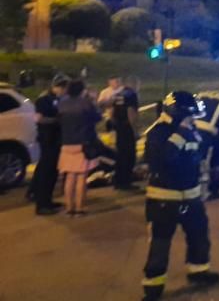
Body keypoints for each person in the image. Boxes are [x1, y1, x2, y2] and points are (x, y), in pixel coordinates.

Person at [141, 91, 219, 301]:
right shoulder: (158, 133)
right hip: (164, 200)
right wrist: (182, 132)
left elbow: (196, 158)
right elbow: (165, 158)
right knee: (160, 243)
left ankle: (198, 271)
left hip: (192, 197)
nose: (192, 119)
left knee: (199, 237)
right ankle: (153, 286)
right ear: (176, 113)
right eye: (188, 116)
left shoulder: (192, 130)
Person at [58, 79, 102, 216]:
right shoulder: (85, 103)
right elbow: (97, 118)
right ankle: (79, 208)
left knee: (70, 176)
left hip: (66, 143)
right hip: (82, 143)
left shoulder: (62, 103)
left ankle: (69, 207)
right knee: (81, 177)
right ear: (81, 90)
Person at [31, 74, 69, 215]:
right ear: (58, 87)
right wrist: (56, 120)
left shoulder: (58, 99)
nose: (65, 92)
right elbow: (38, 119)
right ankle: (42, 205)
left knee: (52, 172)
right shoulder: (44, 99)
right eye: (64, 88)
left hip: (55, 140)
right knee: (46, 173)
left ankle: (48, 201)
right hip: (47, 140)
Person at [111, 75, 140, 190]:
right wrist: (135, 130)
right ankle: (126, 182)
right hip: (127, 128)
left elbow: (112, 113)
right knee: (129, 156)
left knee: (120, 155)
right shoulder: (132, 95)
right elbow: (131, 112)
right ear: (133, 84)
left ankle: (118, 181)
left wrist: (116, 125)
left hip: (119, 127)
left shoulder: (118, 94)